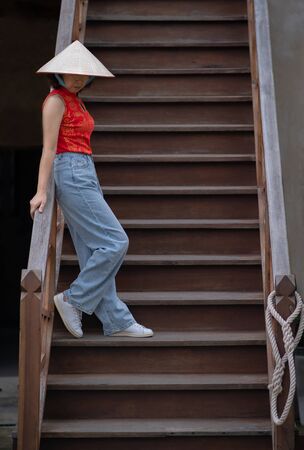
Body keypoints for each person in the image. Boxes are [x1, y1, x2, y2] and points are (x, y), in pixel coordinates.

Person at [30, 40, 154, 338]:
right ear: (58, 73)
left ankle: (116, 320)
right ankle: (74, 299)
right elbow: (48, 149)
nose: (78, 78)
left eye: (83, 74)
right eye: (72, 73)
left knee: (93, 249)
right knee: (115, 242)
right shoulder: (56, 101)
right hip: (70, 170)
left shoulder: (76, 100)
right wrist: (41, 191)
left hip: (85, 168)